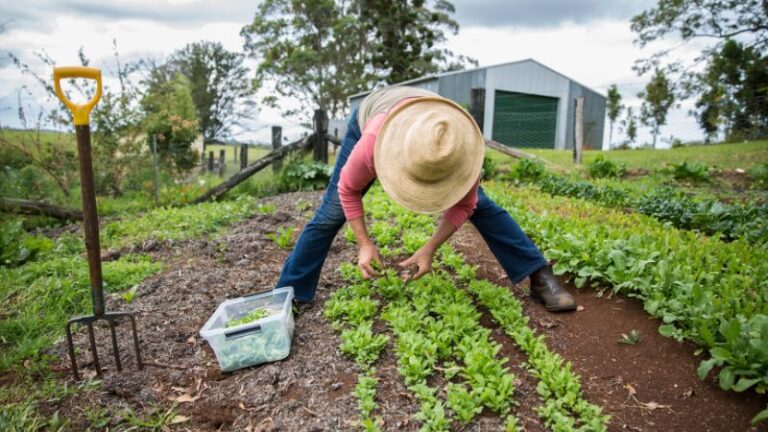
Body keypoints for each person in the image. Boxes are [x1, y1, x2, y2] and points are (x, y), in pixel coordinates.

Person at [275, 86, 576, 312]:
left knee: (481, 203)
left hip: (428, 118)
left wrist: (429, 249)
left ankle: (540, 276)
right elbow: (347, 189)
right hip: (378, 113)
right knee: (331, 212)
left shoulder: (459, 148)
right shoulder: (372, 144)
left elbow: (466, 204)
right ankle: (291, 292)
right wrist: (364, 244)